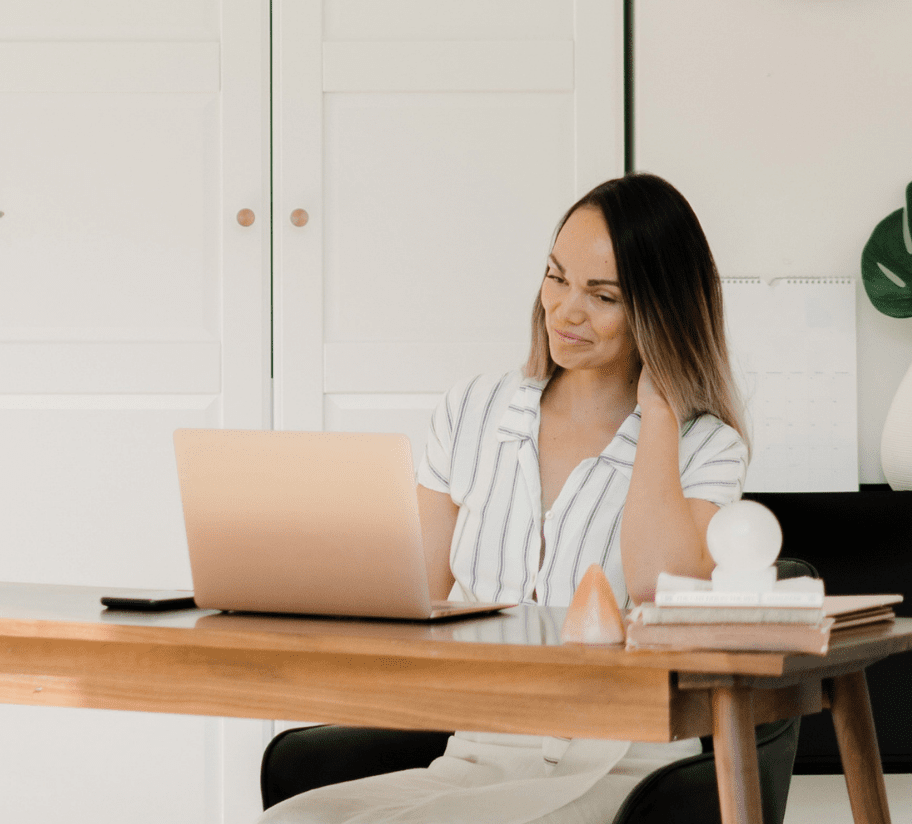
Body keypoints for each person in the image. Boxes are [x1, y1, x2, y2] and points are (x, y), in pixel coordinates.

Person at [257, 173, 750, 824]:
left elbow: (663, 586)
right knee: (291, 821)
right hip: (481, 752)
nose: (565, 311)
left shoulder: (704, 445)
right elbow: (414, 597)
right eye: (555, 276)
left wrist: (660, 412)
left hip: (624, 764)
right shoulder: (474, 411)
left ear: (658, 312)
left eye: (602, 295)